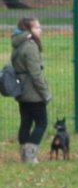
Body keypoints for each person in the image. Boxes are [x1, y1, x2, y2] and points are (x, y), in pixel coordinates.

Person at [10, 16, 52, 164]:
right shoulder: (30, 46)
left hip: (21, 90)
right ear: (28, 29)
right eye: (37, 27)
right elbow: (36, 74)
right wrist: (45, 93)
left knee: (26, 122)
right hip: (33, 91)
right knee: (41, 122)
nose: (40, 30)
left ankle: (23, 154)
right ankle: (30, 154)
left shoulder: (18, 44)